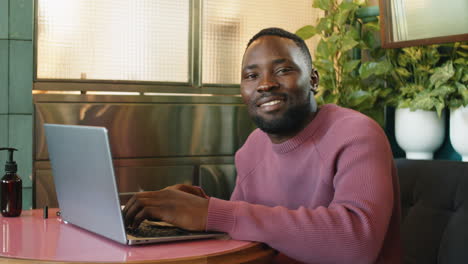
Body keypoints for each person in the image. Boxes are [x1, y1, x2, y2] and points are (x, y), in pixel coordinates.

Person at [123, 27, 402, 264]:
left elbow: (357, 243)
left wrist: (213, 213)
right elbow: (244, 227)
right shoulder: (253, 147)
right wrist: (195, 205)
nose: (265, 84)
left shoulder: (356, 133)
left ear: (313, 80)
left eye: (282, 70)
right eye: (251, 75)